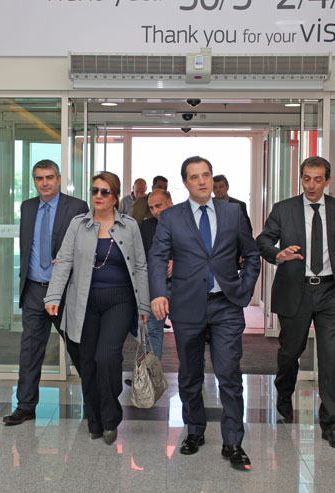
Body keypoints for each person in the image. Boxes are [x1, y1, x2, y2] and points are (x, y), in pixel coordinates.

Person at [149, 156, 260, 469]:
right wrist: (158, 292)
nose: (202, 181)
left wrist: (244, 289)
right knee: (190, 374)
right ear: (185, 182)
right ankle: (195, 430)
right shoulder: (171, 217)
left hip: (226, 305)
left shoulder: (233, 213)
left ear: (212, 179)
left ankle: (233, 441)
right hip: (187, 305)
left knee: (229, 373)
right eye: (195, 177)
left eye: (206, 175)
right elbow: (158, 257)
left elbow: (252, 255)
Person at [256, 156, 335, 452]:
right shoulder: (284, 209)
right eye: (307, 178)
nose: (312, 185)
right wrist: (278, 254)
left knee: (331, 356)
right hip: (296, 290)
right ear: (301, 178)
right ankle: (284, 393)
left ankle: (331, 425)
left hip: (330, 291)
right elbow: (263, 240)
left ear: (327, 180)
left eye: (318, 179)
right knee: (290, 352)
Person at [45, 171, 150, 445]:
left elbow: (140, 266)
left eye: (105, 191)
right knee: (88, 363)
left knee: (106, 357)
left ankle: (110, 415)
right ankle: (95, 420)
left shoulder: (129, 226)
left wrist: (143, 304)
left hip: (119, 301)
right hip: (84, 302)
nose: (98, 196)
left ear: (116, 197)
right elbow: (64, 261)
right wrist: (53, 296)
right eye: (95, 190)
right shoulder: (78, 224)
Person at [3, 159, 89, 426]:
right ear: (34, 181)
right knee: (30, 350)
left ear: (59, 179)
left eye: (49, 177)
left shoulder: (77, 207)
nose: (45, 183)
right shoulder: (28, 207)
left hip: (64, 291)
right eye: (39, 178)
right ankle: (25, 406)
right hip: (33, 290)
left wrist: (69, 259)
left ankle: (94, 403)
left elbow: (87, 247)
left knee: (78, 348)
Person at [139, 189, 173, 359]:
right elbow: (143, 257)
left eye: (158, 206)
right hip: (156, 286)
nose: (155, 211)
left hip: (183, 286)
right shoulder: (146, 226)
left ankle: (194, 374)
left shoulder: (186, 222)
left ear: (169, 201)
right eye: (151, 208)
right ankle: (151, 373)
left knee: (189, 334)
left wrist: (177, 261)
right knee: (152, 331)